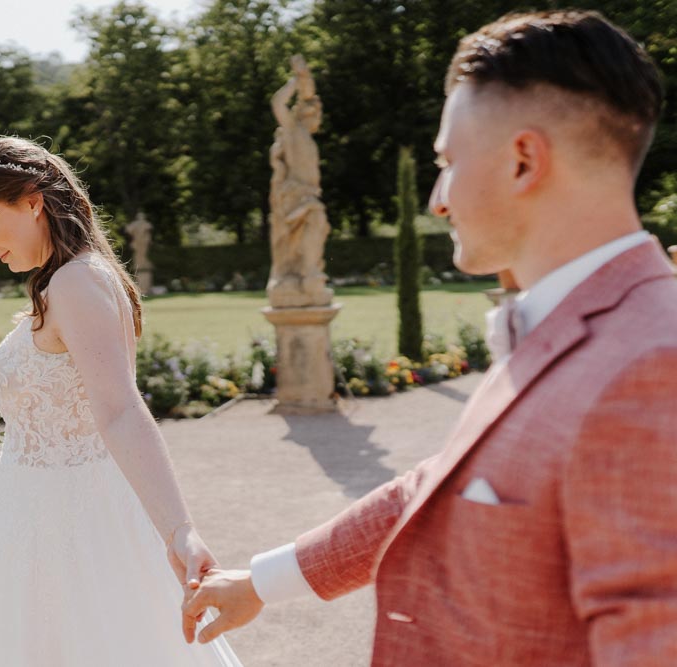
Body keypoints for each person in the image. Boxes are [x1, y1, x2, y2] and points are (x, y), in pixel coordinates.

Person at [183, 10, 677, 665]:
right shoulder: (569, 324)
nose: (438, 199)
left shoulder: (650, 367)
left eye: (447, 162)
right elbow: (439, 485)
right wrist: (260, 582)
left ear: (524, 160)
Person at [0, 136, 242, 666]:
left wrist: (180, 532)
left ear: (31, 200)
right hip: (43, 521)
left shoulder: (76, 282)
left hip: (77, 529)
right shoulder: (67, 280)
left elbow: (119, 409)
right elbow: (72, 410)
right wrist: (11, 466)